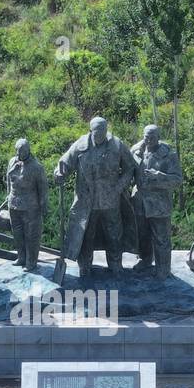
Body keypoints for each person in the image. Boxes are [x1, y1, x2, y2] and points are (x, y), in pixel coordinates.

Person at [54, 116, 139, 276]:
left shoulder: (117, 145)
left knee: (114, 234)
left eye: (103, 132)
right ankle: (84, 266)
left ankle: (115, 265)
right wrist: (60, 173)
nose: (99, 135)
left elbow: (130, 168)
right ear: (90, 131)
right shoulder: (80, 145)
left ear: (106, 130)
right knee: (86, 235)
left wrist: (119, 187)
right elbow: (64, 162)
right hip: (87, 202)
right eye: (96, 132)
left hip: (110, 200)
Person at [130, 124, 183, 280]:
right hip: (139, 201)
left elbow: (177, 181)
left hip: (159, 203)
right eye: (146, 136)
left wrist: (159, 176)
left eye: (152, 137)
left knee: (161, 237)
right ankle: (145, 260)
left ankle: (163, 268)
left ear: (159, 137)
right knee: (142, 234)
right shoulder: (136, 151)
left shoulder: (169, 155)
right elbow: (128, 171)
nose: (149, 140)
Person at [5, 137, 50, 270]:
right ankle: (21, 257)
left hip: (31, 207)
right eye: (18, 151)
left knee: (31, 235)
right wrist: (8, 196)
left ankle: (31, 262)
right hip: (14, 205)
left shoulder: (36, 167)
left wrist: (43, 205)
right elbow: (8, 180)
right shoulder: (12, 162)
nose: (19, 154)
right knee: (17, 234)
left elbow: (43, 188)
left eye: (22, 151)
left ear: (28, 150)